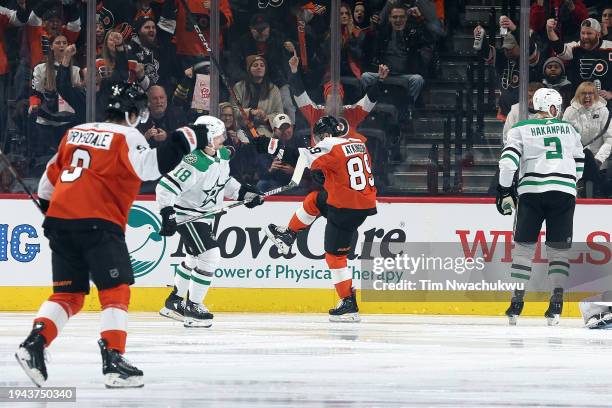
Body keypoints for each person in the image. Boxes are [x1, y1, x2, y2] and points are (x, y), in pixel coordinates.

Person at [15, 81, 210, 388]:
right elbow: (151, 167)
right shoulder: (127, 135)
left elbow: (46, 187)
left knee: (68, 295)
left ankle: (34, 344)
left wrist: (58, 215)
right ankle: (114, 361)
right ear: (132, 113)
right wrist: (188, 137)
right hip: (99, 221)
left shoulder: (74, 133)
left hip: (61, 222)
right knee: (116, 290)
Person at [253, 115, 377, 323]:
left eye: (320, 137)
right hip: (361, 202)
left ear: (327, 134)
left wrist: (269, 144)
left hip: (346, 208)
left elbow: (296, 156)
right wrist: (326, 175)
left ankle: (348, 303)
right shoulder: (358, 143)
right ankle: (288, 235)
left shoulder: (329, 144)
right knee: (316, 200)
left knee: (334, 257)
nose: (319, 141)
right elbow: (350, 171)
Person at [156, 116, 264, 327]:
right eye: (218, 136)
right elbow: (166, 187)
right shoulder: (193, 162)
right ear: (206, 139)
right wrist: (167, 212)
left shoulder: (221, 155)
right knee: (210, 256)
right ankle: (194, 307)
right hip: (188, 215)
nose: (223, 138)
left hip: (205, 216)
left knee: (194, 259)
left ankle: (174, 302)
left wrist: (244, 193)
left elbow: (224, 182)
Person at [496, 88, 584, 326]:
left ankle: (517, 301)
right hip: (564, 193)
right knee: (558, 250)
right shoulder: (570, 129)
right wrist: (568, 183)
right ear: (554, 107)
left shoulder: (520, 129)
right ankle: (556, 303)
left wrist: (505, 190)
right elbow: (579, 164)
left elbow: (508, 162)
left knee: (523, 249)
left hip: (532, 193)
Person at [562, 81, 612, 197]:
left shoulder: (603, 111)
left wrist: (599, 159)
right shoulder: (570, 111)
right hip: (574, 161)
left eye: (590, 93)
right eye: (583, 93)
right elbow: (564, 138)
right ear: (578, 95)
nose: (587, 97)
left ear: (596, 95)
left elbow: (609, 139)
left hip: (599, 162)